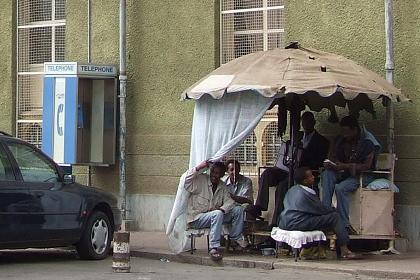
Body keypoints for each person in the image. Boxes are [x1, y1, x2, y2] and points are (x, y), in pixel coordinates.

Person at [253, 111, 330, 225]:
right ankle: (259, 206)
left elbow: (318, 161)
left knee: (282, 186)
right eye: (304, 122)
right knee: (266, 174)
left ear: (314, 122)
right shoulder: (296, 137)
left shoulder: (322, 141)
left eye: (309, 122)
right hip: (286, 168)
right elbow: (286, 153)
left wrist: (303, 153)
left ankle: (276, 221)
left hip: (301, 172)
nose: (306, 125)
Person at [279, 167, 358, 259]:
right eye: (311, 176)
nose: (313, 177)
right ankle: (345, 250)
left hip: (284, 222)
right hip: (298, 223)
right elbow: (320, 210)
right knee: (335, 217)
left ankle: (310, 249)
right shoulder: (308, 193)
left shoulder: (291, 190)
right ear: (305, 181)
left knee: (321, 221)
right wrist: (333, 209)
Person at [321, 115, 381, 233]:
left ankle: (344, 225)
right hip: (345, 173)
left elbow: (366, 166)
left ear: (355, 130)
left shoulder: (367, 142)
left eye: (346, 132)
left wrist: (345, 166)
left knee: (340, 188)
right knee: (327, 174)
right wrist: (332, 163)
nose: (344, 135)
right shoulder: (342, 140)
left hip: (362, 175)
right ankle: (326, 214)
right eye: (342, 131)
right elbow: (334, 155)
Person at [185, 160, 248, 261]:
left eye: (218, 173)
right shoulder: (201, 180)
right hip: (197, 219)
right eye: (213, 172)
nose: (215, 175)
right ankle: (213, 248)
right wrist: (198, 167)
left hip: (215, 216)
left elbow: (230, 202)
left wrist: (222, 209)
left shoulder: (222, 185)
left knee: (238, 209)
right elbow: (186, 181)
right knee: (217, 214)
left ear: (222, 175)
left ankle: (234, 239)